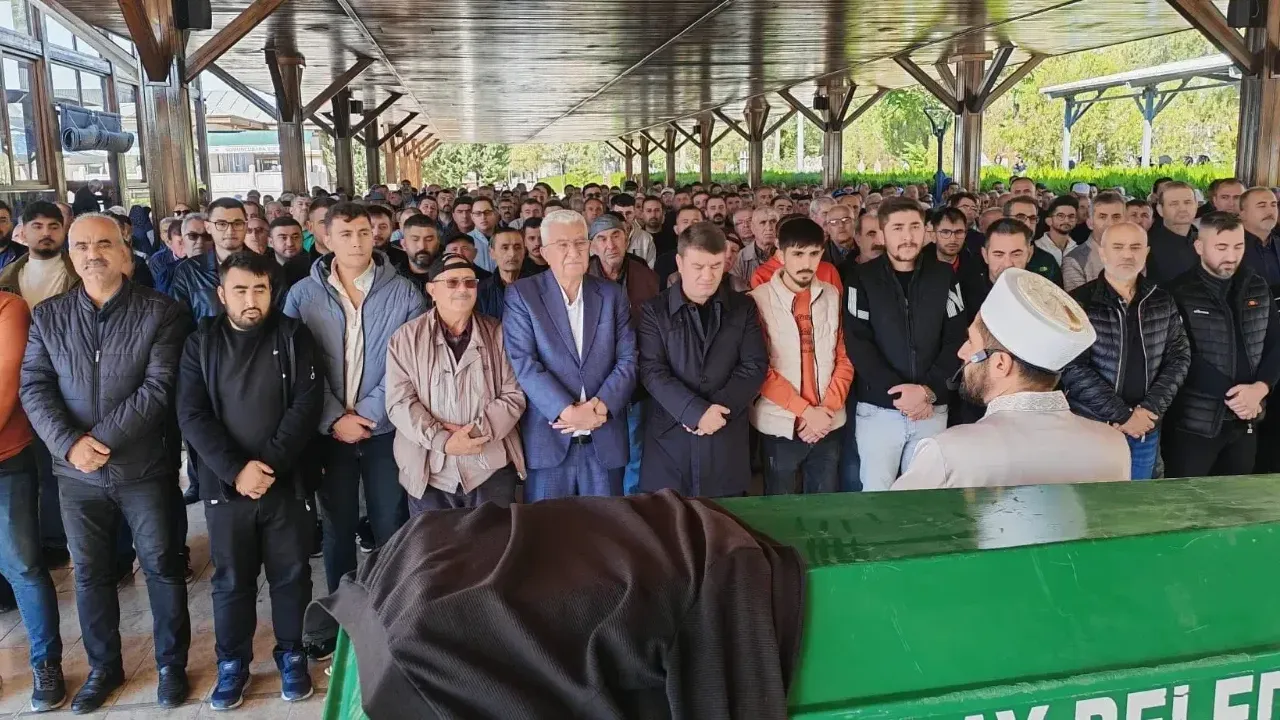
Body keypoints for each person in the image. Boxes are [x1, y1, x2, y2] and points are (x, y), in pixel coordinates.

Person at [20, 214, 191, 713]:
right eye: (81, 246)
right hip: (76, 474)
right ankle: (104, 667)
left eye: (103, 244)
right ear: (70, 254)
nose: (92, 254)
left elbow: (159, 386)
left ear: (124, 249)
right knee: (91, 573)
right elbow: (35, 386)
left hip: (143, 468)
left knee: (161, 567)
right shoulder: (49, 316)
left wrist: (101, 440)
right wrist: (70, 444)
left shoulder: (162, 311)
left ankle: (171, 665)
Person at [175, 251, 322, 710]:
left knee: (291, 574)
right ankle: (233, 663)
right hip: (226, 487)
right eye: (240, 290)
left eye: (260, 289)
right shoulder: (201, 343)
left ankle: (292, 654)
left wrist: (268, 466)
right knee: (231, 579)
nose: (251, 299)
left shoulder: (294, 335)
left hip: (286, 481)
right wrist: (237, 470)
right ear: (222, 294)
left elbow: (306, 405)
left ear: (271, 292)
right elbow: (192, 414)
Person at [282, 202, 425, 658]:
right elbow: (297, 367)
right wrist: (334, 418)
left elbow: (407, 364)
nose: (357, 242)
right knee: (337, 527)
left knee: (390, 522)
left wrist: (365, 414)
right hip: (330, 433)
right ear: (326, 238)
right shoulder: (303, 295)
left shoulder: (403, 293)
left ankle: (391, 615)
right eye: (345, 234)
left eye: (364, 232)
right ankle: (338, 619)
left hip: (384, 430)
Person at [893, 268, 1129, 489]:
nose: (962, 352)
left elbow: (891, 518)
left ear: (1001, 364)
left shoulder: (946, 452)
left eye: (972, 342)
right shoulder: (1113, 446)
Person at [502, 209, 637, 500]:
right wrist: (569, 412)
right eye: (563, 245)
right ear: (544, 252)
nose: (573, 252)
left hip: (604, 436)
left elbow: (628, 360)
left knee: (607, 524)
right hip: (549, 439)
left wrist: (600, 408)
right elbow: (524, 363)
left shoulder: (612, 294)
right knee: (550, 525)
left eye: (580, 243)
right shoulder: (523, 295)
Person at [385, 253, 526, 514]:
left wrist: (472, 435)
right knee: (432, 540)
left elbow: (513, 395)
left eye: (469, 282)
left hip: (489, 467)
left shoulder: (499, 333)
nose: (462, 289)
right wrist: (443, 440)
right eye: (452, 282)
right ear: (432, 290)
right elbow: (400, 402)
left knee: (492, 539)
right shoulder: (405, 338)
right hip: (429, 469)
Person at [844, 197, 966, 491]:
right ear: (882, 234)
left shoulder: (944, 276)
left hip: (930, 407)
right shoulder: (861, 278)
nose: (907, 236)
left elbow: (956, 338)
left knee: (924, 494)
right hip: (879, 410)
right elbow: (858, 342)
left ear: (926, 231)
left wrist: (927, 391)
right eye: (897, 228)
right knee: (876, 493)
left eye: (914, 227)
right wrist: (899, 394)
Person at [637, 222, 767, 497]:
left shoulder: (743, 307)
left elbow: (754, 365)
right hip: (671, 435)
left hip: (724, 429)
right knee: (670, 514)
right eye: (698, 267)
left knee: (725, 515)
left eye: (715, 266)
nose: (708, 276)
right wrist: (694, 411)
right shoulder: (654, 310)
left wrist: (715, 411)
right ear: (679, 263)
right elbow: (652, 370)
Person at [1061, 223, 1190, 480]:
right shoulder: (1078, 302)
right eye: (1118, 247)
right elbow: (1071, 367)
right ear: (1102, 252)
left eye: (1135, 247)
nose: (1127, 254)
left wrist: (1149, 410)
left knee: (1139, 500)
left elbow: (1179, 357)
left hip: (1145, 427)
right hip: (1093, 425)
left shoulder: (1161, 299)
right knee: (1091, 499)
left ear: (1146, 252)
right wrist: (1123, 415)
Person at [1163, 212, 1280, 477]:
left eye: (1238, 246)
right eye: (1221, 247)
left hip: (1248, 417)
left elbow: (1275, 343)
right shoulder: (1178, 291)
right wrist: (1236, 397)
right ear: (1199, 247)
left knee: (1236, 496)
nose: (1231, 255)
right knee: (1188, 496)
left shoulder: (1257, 285)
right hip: (1196, 422)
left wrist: (1261, 388)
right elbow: (1181, 355)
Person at [750, 216, 853, 495]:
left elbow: (845, 357)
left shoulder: (833, 295)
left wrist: (825, 411)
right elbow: (759, 367)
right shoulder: (758, 300)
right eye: (797, 254)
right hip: (780, 422)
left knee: (823, 505)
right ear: (780, 254)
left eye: (814, 253)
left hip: (828, 422)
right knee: (780, 506)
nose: (806, 263)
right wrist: (805, 412)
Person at [0, 290, 65, 711]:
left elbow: (6, 389)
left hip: (6, 461)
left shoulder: (8, 309)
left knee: (22, 565)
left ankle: (46, 662)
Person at [586, 214, 660, 495]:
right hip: (598, 385)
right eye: (602, 239)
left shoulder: (646, 276)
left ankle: (633, 506)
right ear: (592, 246)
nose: (610, 245)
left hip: (638, 381)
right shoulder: (582, 277)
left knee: (637, 448)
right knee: (603, 454)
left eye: (616, 236)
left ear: (627, 238)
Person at [169, 197, 248, 322]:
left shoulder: (268, 268)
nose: (230, 230)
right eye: (221, 224)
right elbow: (179, 323)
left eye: (237, 223)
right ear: (208, 227)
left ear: (246, 226)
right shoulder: (188, 271)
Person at [0, 201, 75, 305]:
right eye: (38, 227)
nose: (46, 233)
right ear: (23, 233)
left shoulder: (79, 274)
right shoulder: (7, 276)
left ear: (63, 231)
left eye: (53, 227)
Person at [1062, 191, 1127, 291]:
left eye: (1116, 217)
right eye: (1102, 217)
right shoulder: (1074, 261)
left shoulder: (1137, 254)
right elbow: (1077, 300)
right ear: (1090, 223)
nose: (1110, 223)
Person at [1146, 181, 1200, 286]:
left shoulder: (1206, 241)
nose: (1182, 208)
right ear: (1160, 210)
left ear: (1196, 205)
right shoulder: (1147, 246)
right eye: (1174, 204)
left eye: (1188, 202)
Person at [1240, 186, 1280, 286]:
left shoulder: (1278, 243)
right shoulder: (1231, 247)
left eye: (1273, 205)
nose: (1270, 211)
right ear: (1242, 213)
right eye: (1262, 206)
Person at [396, 213, 443, 296]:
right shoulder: (392, 277)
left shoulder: (451, 274)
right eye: (415, 239)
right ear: (404, 244)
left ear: (438, 243)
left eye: (429, 240)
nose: (422, 246)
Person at [608, 193, 656, 267]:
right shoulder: (602, 237)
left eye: (628, 213)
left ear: (634, 213)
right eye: (619, 213)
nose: (624, 218)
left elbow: (650, 269)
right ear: (611, 213)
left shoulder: (646, 239)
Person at [268, 216, 311, 293]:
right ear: (270, 242)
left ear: (302, 238)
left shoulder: (315, 267)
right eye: (283, 238)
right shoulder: (263, 268)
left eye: (295, 237)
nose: (290, 243)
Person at [1035, 196, 1080, 267]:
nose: (1066, 220)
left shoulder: (1079, 251)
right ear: (1049, 220)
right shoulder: (1036, 248)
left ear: (1076, 221)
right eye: (1060, 216)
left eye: (1071, 216)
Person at [148, 216, 188, 295]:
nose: (169, 235)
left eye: (172, 230)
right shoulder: (156, 260)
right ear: (161, 236)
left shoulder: (191, 254)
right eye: (165, 231)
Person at [366, 204, 409, 269]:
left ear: (391, 229)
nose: (376, 233)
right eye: (370, 227)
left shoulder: (404, 259)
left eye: (383, 227)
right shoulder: (350, 258)